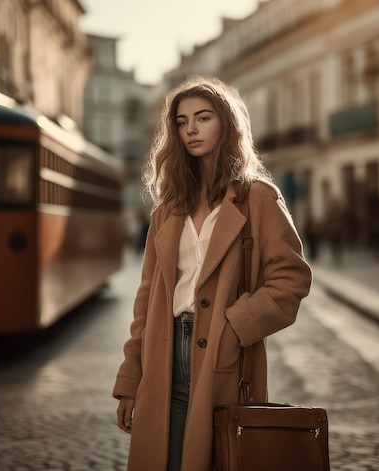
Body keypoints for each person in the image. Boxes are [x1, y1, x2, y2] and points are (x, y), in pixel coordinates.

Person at [112, 76, 312, 471]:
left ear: (227, 124)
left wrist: (235, 326)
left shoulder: (258, 198)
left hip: (225, 358)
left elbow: (292, 279)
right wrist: (130, 382)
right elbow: (146, 298)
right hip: (163, 356)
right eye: (182, 122)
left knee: (215, 459)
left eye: (203, 118)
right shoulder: (167, 208)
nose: (191, 130)